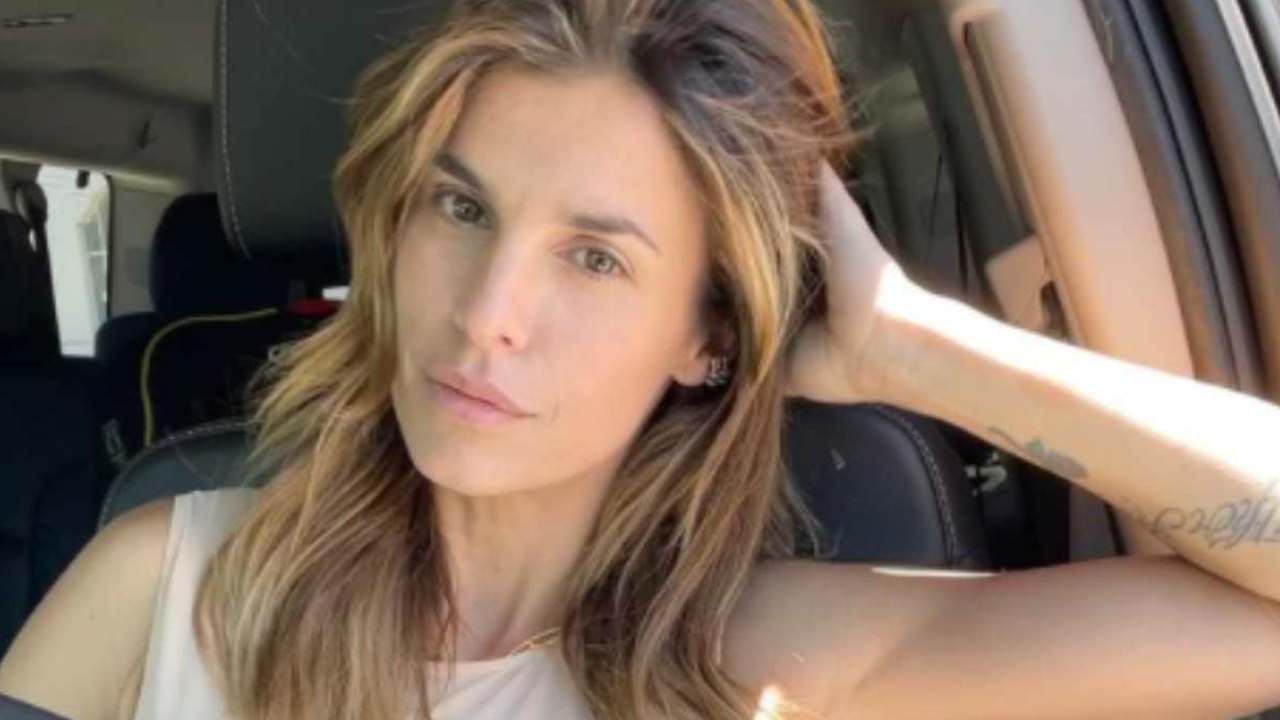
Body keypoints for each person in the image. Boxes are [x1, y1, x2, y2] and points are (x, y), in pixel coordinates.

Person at [6, 0, 1280, 718]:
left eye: (595, 258)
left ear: (707, 336)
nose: (489, 313)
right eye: (461, 207)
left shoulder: (769, 661)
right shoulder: (166, 587)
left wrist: (914, 347)